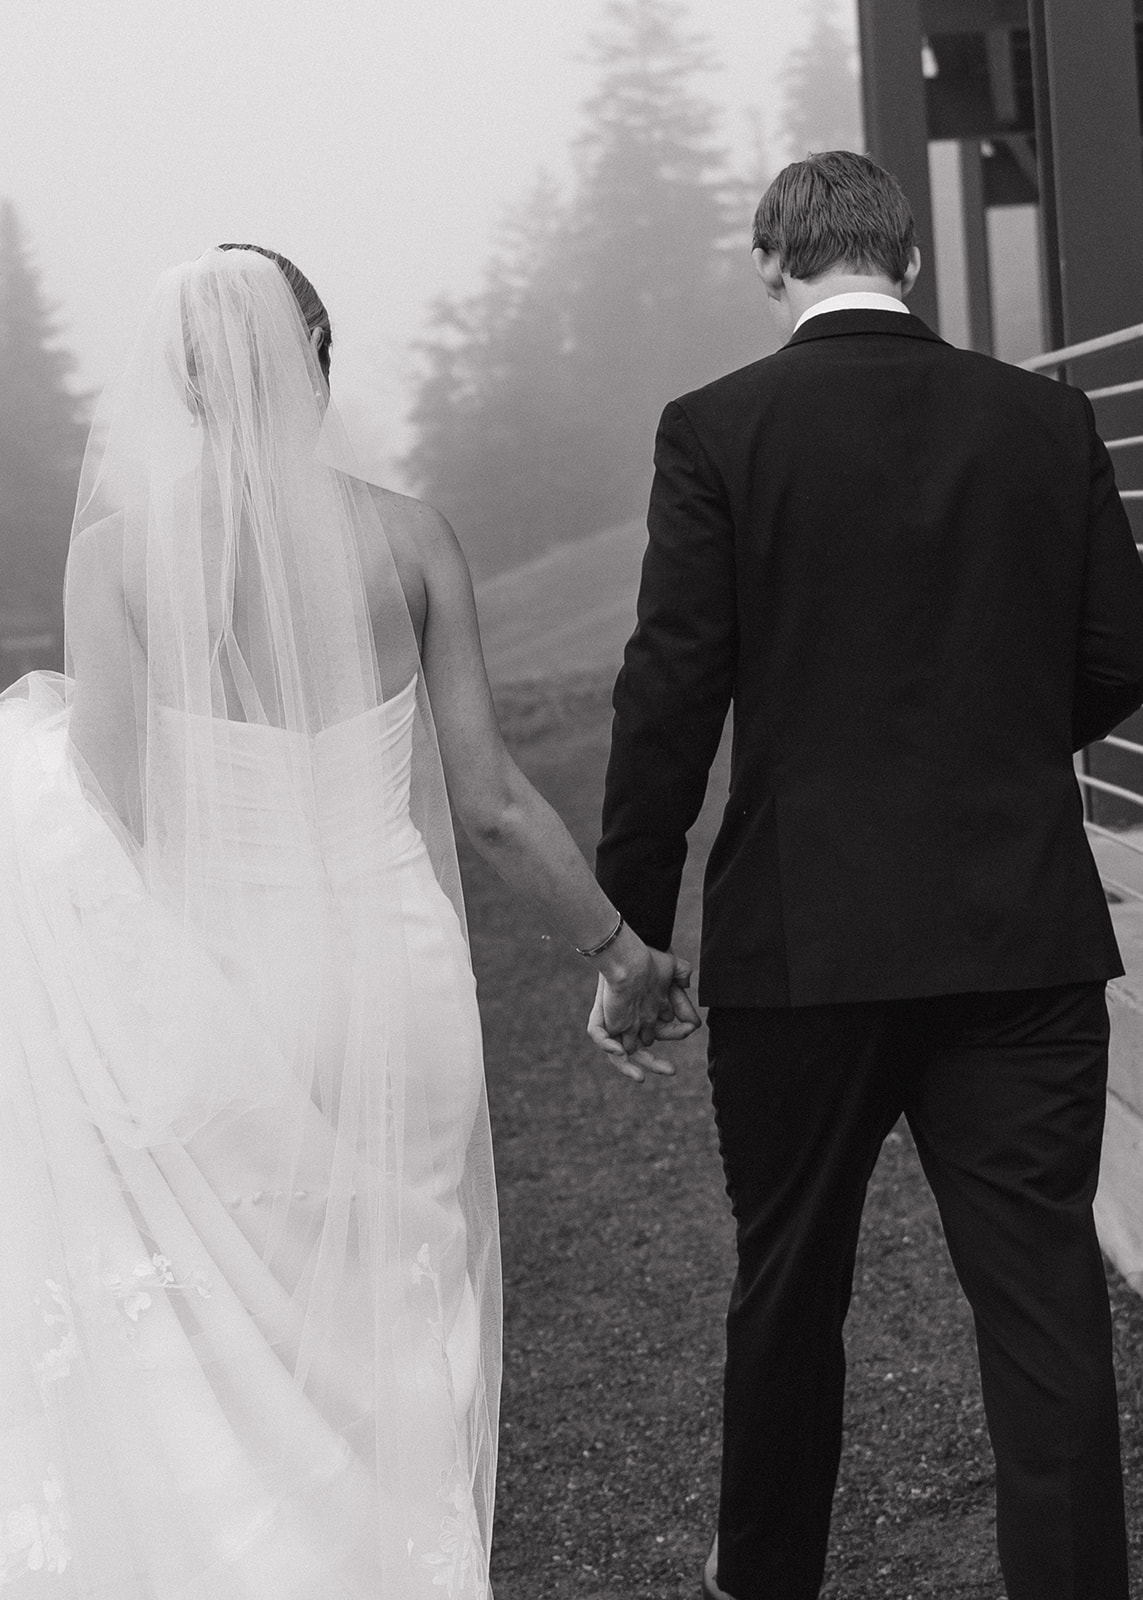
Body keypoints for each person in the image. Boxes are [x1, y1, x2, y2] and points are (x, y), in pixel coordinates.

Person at [0, 244, 695, 1599]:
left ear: (185, 391)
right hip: (394, 974)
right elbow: (489, 804)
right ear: (318, 357)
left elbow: (125, 811)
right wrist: (624, 956)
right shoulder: (411, 537)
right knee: (408, 1297)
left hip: (226, 981)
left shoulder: (121, 557)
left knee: (249, 1327)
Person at [594, 150, 1143, 1600]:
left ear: (774, 262)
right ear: (907, 258)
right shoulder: (1047, 417)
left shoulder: (717, 429)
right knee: (1043, 1312)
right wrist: (996, 757)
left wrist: (631, 929)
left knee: (788, 1291)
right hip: (1021, 929)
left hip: (802, 942)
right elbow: (1117, 655)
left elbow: (671, 690)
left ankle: (766, 1579)